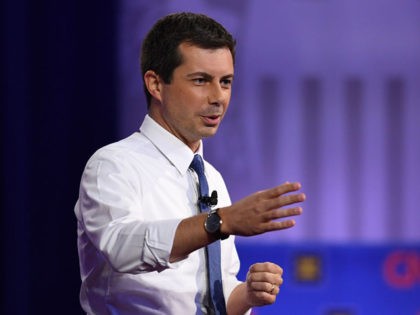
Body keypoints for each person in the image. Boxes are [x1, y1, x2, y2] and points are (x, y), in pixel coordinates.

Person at [75, 12, 305, 315]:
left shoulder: (211, 178)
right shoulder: (113, 165)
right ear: (156, 84)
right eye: (200, 81)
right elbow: (122, 248)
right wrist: (220, 222)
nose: (218, 97)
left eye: (225, 82)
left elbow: (213, 296)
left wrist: (247, 294)